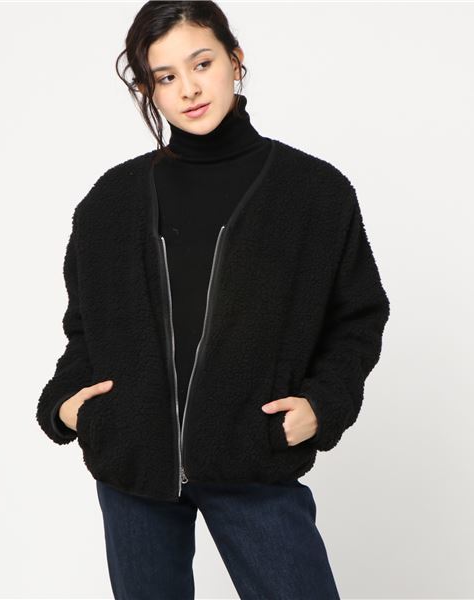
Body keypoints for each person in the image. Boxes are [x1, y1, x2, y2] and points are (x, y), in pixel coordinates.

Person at [36, 2, 390, 598]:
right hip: (132, 468)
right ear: (148, 89)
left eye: (202, 63)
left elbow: (358, 316)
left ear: (235, 60)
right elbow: (85, 329)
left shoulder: (313, 192)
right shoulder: (110, 201)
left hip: (253, 457)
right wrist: (69, 406)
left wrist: (323, 405)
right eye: (165, 76)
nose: (189, 89)